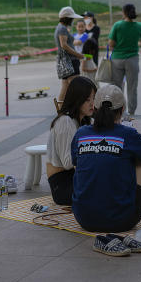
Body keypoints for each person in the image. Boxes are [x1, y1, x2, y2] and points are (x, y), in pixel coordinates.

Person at [71, 84, 141, 255]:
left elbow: (77, 166)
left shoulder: (81, 133)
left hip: (83, 217)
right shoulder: (128, 134)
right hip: (123, 220)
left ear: (95, 108)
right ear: (122, 110)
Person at [46, 76, 96, 205]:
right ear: (77, 99)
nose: (92, 104)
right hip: (62, 185)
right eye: (87, 99)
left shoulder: (83, 119)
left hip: (73, 177)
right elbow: (68, 162)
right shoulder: (65, 122)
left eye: (94, 98)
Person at [109, 3, 141, 120]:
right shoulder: (139, 26)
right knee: (132, 87)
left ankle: (118, 111)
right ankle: (131, 112)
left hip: (117, 59)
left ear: (123, 12)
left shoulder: (117, 25)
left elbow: (111, 44)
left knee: (117, 87)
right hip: (132, 59)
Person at [55, 6, 86, 104]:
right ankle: (76, 108)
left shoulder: (60, 28)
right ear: (67, 18)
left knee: (65, 86)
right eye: (71, 18)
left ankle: (60, 110)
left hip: (64, 60)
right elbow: (64, 45)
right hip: (70, 60)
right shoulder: (62, 29)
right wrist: (78, 55)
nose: (72, 20)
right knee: (76, 85)